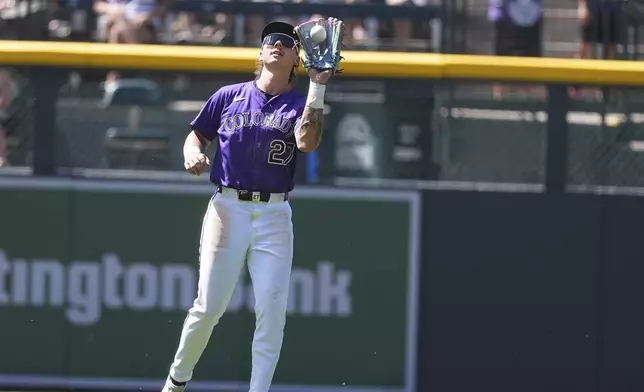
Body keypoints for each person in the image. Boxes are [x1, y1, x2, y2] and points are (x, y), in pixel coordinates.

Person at [161, 20, 334, 392]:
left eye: (287, 42)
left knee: (271, 314)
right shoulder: (229, 95)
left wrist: (318, 86)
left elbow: (308, 142)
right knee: (208, 308)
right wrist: (192, 153)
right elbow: (197, 135)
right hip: (227, 209)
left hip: (273, 214)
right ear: (260, 52)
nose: (278, 45)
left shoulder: (299, 103)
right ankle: (176, 382)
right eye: (271, 39)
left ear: (296, 59)